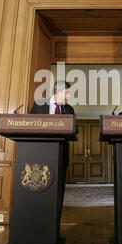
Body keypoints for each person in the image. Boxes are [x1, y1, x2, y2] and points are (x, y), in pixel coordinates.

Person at [30, 80, 76, 216]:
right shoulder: (39, 104)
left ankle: (56, 218)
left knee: (58, 190)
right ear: (58, 92)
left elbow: (75, 130)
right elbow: (29, 125)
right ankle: (37, 215)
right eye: (67, 93)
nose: (68, 96)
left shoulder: (69, 109)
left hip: (61, 155)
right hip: (40, 155)